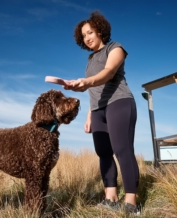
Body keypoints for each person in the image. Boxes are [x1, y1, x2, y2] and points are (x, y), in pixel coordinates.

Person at [63, 11, 140, 215]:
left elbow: (108, 73)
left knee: (122, 150)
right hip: (97, 109)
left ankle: (131, 202)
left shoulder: (115, 48)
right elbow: (95, 90)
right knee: (103, 153)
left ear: (100, 30)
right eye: (83, 36)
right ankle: (110, 198)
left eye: (90, 32)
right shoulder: (90, 59)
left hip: (119, 103)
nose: (87, 38)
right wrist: (89, 115)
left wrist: (86, 81)